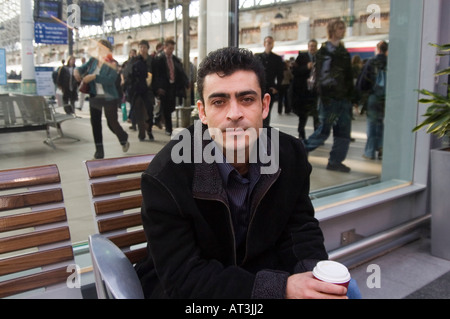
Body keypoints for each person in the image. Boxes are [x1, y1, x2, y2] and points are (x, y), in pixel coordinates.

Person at [135, 46, 360, 299]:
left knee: (348, 291)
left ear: (264, 106)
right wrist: (282, 289)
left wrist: (310, 277)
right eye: (219, 102)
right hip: (194, 292)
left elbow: (300, 230)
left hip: (262, 275)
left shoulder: (289, 155)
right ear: (202, 112)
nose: (234, 114)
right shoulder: (168, 175)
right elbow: (184, 277)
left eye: (246, 99)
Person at [303, 20, 354, 173]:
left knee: (343, 131)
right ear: (332, 30)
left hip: (343, 99)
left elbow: (348, 76)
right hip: (330, 99)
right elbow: (320, 76)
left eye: (344, 28)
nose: (343, 30)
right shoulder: (324, 52)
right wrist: (325, 96)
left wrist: (352, 96)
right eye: (340, 28)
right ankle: (302, 149)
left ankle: (335, 161)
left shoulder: (343, 52)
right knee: (324, 130)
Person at [74, 39, 130, 159]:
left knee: (112, 123)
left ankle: (123, 137)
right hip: (95, 96)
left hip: (109, 97)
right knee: (95, 123)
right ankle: (99, 150)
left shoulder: (113, 63)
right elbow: (82, 68)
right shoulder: (93, 61)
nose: (99, 50)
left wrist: (94, 76)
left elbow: (110, 80)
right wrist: (76, 71)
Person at [358, 41, 388, 160]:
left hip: (374, 97)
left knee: (371, 123)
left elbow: (363, 81)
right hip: (385, 98)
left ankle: (369, 152)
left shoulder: (371, 61)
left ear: (378, 49)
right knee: (381, 123)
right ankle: (381, 147)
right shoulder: (389, 62)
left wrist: (361, 93)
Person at [152, 39, 189, 136]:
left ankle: (158, 118)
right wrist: (157, 88)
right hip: (163, 87)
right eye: (170, 48)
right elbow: (156, 75)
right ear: (165, 47)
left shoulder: (175, 59)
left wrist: (186, 82)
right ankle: (168, 128)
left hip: (173, 86)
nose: (171, 50)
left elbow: (181, 72)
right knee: (166, 108)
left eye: (173, 48)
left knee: (171, 106)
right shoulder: (159, 59)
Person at [123, 40, 156, 141]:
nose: (142, 49)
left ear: (147, 48)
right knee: (139, 112)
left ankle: (149, 129)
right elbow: (127, 74)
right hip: (137, 91)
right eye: (141, 47)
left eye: (144, 47)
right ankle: (142, 133)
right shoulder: (134, 60)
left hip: (149, 90)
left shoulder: (152, 61)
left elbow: (157, 74)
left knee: (149, 111)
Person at [291, 39, 320, 140]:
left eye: (314, 46)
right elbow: (294, 72)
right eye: (311, 46)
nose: (312, 48)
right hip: (304, 91)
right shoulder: (301, 57)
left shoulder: (319, 58)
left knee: (317, 115)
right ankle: (301, 134)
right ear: (308, 47)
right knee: (303, 115)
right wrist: (306, 67)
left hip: (316, 91)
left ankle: (316, 136)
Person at [256, 36, 284, 126]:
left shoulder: (277, 59)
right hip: (257, 88)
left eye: (271, 43)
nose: (269, 45)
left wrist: (276, 87)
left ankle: (264, 134)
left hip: (270, 89)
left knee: (266, 113)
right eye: (267, 42)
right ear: (264, 44)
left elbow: (280, 75)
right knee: (256, 112)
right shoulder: (257, 57)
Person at [121, 49, 137, 130]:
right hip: (128, 86)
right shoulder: (126, 63)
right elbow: (122, 73)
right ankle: (132, 118)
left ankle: (132, 119)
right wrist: (123, 80)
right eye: (131, 53)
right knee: (131, 103)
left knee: (133, 104)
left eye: (134, 53)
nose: (132, 54)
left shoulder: (137, 62)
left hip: (135, 86)